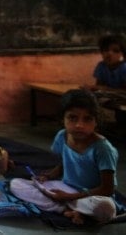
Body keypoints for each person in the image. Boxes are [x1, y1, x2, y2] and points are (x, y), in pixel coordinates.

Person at [10, 89, 121, 225]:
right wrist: (48, 177)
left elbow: (107, 189)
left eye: (87, 119)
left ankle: (66, 206)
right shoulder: (62, 136)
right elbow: (65, 162)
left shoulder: (103, 148)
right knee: (16, 184)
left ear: (96, 122)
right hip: (67, 187)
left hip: (92, 196)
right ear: (63, 119)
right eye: (72, 118)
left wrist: (70, 196)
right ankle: (68, 209)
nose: (79, 125)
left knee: (105, 208)